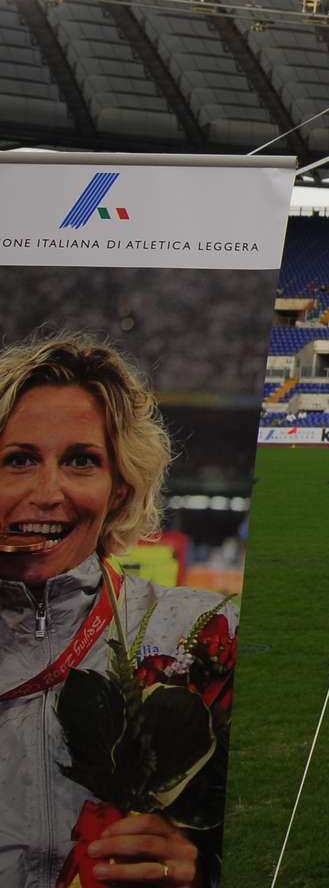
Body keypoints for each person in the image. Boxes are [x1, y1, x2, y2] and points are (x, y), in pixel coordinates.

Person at [0, 335, 235, 888]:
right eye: (18, 459)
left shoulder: (203, 633)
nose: (48, 492)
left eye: (81, 461)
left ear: (120, 488)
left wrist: (205, 870)